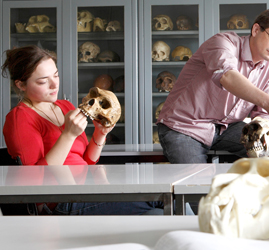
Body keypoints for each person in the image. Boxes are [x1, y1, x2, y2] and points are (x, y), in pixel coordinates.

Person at [2, 45, 163, 215]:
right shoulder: (20, 117)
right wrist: (68, 135)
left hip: (86, 188)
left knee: (159, 210)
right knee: (160, 200)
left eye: (56, 75)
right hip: (61, 201)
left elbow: (87, 161)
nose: (54, 84)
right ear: (21, 85)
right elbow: (35, 181)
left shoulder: (65, 106)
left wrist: (100, 134)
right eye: (42, 81)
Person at [157, 8, 269, 164]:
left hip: (227, 128)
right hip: (185, 126)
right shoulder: (222, 42)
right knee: (197, 182)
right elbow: (227, 76)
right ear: (255, 30)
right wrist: (268, 102)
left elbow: (262, 112)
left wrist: (262, 128)